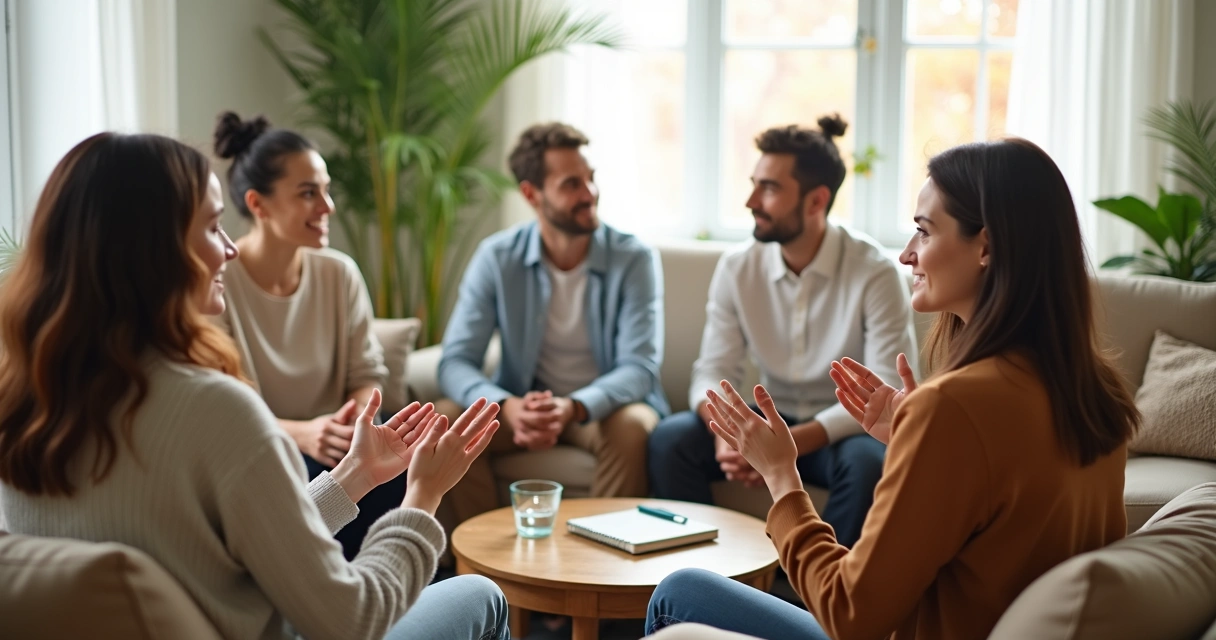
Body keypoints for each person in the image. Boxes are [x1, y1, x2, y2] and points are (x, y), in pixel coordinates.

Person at [0, 132, 509, 640]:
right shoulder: (215, 409)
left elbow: (217, 548)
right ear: (155, 248)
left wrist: (354, 474)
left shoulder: (25, 401)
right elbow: (354, 621)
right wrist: (423, 494)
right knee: (482, 596)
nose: (227, 249)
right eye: (214, 226)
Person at [646, 138, 1141, 640]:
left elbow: (850, 617)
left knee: (678, 594)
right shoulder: (1096, 395)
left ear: (986, 247)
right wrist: (912, 435)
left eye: (924, 232)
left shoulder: (953, 405)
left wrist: (780, 473)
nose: (907, 254)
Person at [648, 116, 917, 548]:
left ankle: (817, 603)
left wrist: (778, 447)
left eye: (769, 188)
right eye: (754, 183)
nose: (751, 200)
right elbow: (712, 370)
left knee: (869, 461)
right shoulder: (738, 267)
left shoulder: (875, 272)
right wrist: (728, 434)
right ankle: (707, 581)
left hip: (834, 435)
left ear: (816, 202)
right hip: (769, 424)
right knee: (669, 440)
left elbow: (884, 395)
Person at [437, 122, 668, 527]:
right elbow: (455, 360)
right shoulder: (497, 257)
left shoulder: (633, 258)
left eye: (591, 179)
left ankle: (603, 565)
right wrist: (505, 406)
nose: (589, 194)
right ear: (532, 194)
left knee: (634, 425)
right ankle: (483, 569)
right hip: (521, 407)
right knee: (448, 420)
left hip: (601, 412)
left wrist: (574, 407)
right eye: (571, 184)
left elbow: (640, 368)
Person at [211, 112, 397, 559]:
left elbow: (366, 372)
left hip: (338, 439)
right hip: (269, 448)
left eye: (326, 190)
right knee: (289, 467)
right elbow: (219, 403)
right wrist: (303, 434)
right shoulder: (218, 286)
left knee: (398, 462)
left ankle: (390, 599)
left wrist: (357, 423)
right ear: (259, 204)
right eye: (309, 193)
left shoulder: (339, 273)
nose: (328, 206)